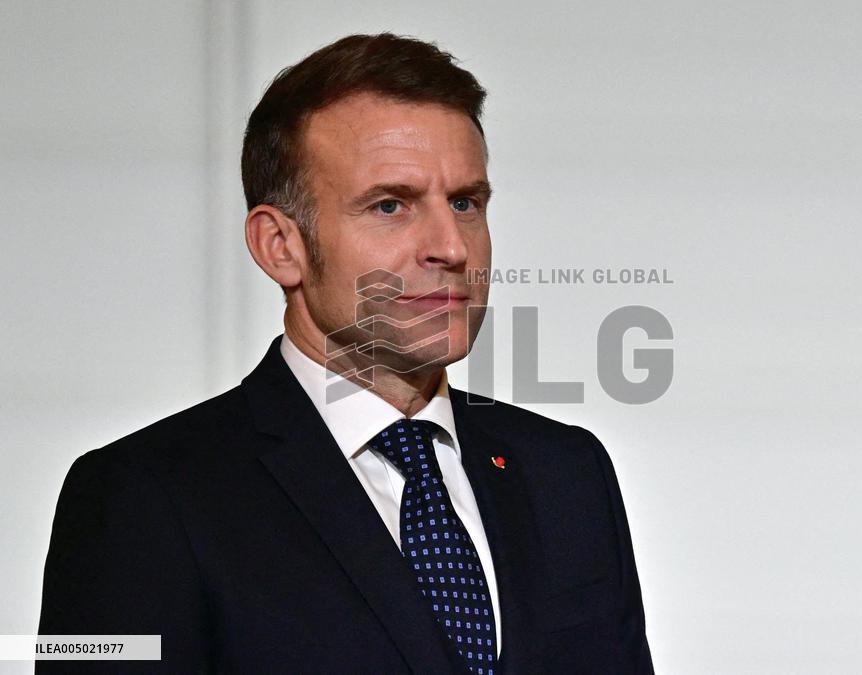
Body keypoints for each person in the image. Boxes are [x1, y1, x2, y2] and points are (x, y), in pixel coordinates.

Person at [38, 33, 654, 673]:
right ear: (281, 245)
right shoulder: (137, 498)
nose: (451, 246)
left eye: (466, 202)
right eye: (391, 205)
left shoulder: (569, 476)